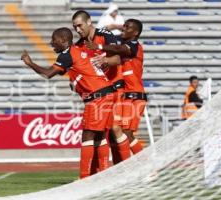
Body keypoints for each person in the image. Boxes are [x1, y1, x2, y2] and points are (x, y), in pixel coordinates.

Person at [21, 27, 119, 179]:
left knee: (88, 135)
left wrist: (30, 63)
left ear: (62, 40)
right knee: (99, 135)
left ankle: (84, 178)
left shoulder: (67, 55)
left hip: (97, 96)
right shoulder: (78, 51)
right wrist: (78, 83)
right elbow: (82, 70)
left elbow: (48, 74)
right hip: (106, 92)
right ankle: (103, 174)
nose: (51, 44)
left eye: (54, 41)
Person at [72, 10, 131, 166]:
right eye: (75, 27)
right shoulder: (78, 46)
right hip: (99, 92)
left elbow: (119, 58)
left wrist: (106, 60)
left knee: (116, 129)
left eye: (80, 25)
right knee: (101, 132)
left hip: (116, 87)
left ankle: (131, 168)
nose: (78, 30)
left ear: (89, 22)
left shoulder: (105, 35)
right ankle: (106, 172)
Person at [87, 19, 147, 155]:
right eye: (124, 26)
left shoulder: (134, 45)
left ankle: (148, 166)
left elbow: (118, 48)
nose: (124, 28)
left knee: (126, 132)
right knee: (116, 131)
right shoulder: (123, 44)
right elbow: (104, 33)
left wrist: (99, 47)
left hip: (135, 95)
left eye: (127, 27)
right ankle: (127, 165)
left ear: (136, 32)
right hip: (125, 95)